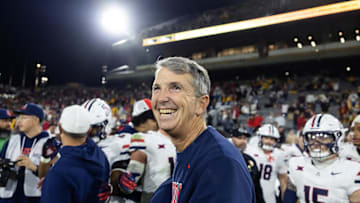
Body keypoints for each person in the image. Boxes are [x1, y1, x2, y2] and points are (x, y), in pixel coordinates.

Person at [149, 57, 255, 203]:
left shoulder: (219, 163)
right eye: (157, 88)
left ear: (201, 104)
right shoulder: (190, 150)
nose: (161, 98)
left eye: (175, 88)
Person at [40, 105, 110, 203]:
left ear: (60, 128)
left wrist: (52, 184)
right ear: (89, 129)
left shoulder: (59, 173)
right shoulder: (101, 156)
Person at [284, 113, 360, 202]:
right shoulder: (296, 164)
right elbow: (289, 199)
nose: (316, 144)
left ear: (338, 139)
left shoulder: (353, 170)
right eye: (311, 137)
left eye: (323, 137)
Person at [116, 99, 176, 203]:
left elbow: (128, 183)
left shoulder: (142, 138)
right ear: (142, 121)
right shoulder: (170, 139)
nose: (157, 123)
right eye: (153, 119)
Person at [82, 98, 133, 203]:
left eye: (92, 127)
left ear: (104, 125)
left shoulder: (117, 144)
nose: (86, 132)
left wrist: (118, 183)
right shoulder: (74, 146)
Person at [0, 103, 49, 203]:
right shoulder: (12, 141)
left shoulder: (49, 143)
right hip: (9, 195)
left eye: (24, 117)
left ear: (36, 120)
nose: (18, 121)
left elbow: (55, 175)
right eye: (19, 117)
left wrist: (34, 167)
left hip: (35, 197)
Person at [245, 123, 288, 203]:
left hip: (269, 197)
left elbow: (283, 180)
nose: (269, 141)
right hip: (251, 194)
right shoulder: (250, 151)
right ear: (260, 138)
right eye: (266, 138)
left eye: (272, 139)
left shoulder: (279, 155)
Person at [229, 127, 265, 203]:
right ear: (232, 139)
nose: (243, 141)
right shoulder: (223, 158)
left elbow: (257, 188)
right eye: (239, 138)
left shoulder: (250, 160)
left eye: (245, 138)